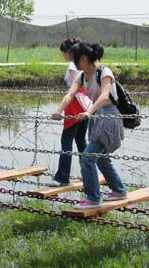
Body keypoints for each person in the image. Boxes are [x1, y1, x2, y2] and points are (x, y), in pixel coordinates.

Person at [52, 42, 127, 210]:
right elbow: (70, 94)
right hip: (97, 118)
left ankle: (93, 198)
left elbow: (104, 95)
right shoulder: (81, 76)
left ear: (84, 58)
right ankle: (119, 190)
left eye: (75, 59)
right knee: (100, 158)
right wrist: (58, 110)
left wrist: (88, 111)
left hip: (109, 118)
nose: (74, 63)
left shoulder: (104, 72)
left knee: (87, 158)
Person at [48, 38, 91, 187]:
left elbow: (74, 89)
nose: (62, 55)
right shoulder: (83, 65)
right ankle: (88, 174)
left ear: (70, 52)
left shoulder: (73, 65)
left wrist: (59, 110)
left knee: (66, 142)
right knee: (81, 142)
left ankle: (62, 177)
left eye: (63, 52)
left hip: (74, 107)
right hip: (86, 106)